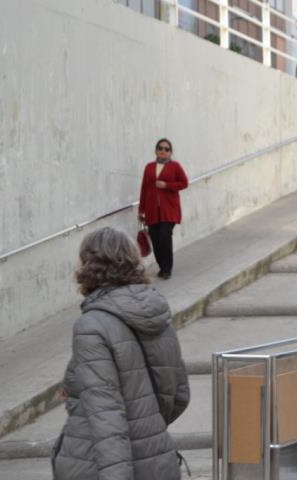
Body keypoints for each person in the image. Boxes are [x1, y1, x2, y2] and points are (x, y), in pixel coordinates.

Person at [52, 227, 190, 480]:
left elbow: (106, 417)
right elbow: (179, 394)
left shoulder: (91, 325)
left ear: (87, 266)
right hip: (158, 459)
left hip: (99, 465)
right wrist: (145, 426)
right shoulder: (157, 313)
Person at [138, 138, 189, 280]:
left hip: (169, 210)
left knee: (164, 236)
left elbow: (184, 183)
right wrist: (141, 210)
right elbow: (144, 189)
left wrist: (166, 185)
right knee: (155, 238)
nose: (163, 151)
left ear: (170, 152)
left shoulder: (175, 166)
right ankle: (162, 266)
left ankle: (167, 269)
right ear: (156, 150)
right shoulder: (149, 167)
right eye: (160, 148)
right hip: (152, 210)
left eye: (166, 149)